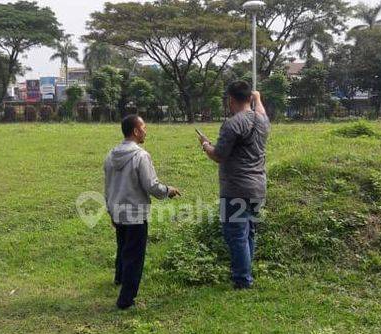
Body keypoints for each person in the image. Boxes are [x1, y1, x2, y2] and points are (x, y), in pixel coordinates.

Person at [197, 81, 270, 289]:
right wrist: (258, 98)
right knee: (249, 232)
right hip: (258, 187)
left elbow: (219, 155)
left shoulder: (233, 123)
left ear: (230, 99)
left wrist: (205, 145)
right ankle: (245, 274)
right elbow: (261, 111)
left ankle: (242, 280)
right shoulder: (262, 120)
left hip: (237, 189)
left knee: (236, 235)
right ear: (250, 98)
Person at [104, 114, 181, 309]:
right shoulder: (141, 156)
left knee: (123, 246)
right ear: (136, 131)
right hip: (135, 213)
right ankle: (126, 300)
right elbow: (151, 185)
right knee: (134, 256)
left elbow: (108, 186)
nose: (146, 131)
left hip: (117, 209)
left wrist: (110, 209)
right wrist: (167, 191)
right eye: (144, 127)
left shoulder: (111, 155)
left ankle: (119, 278)